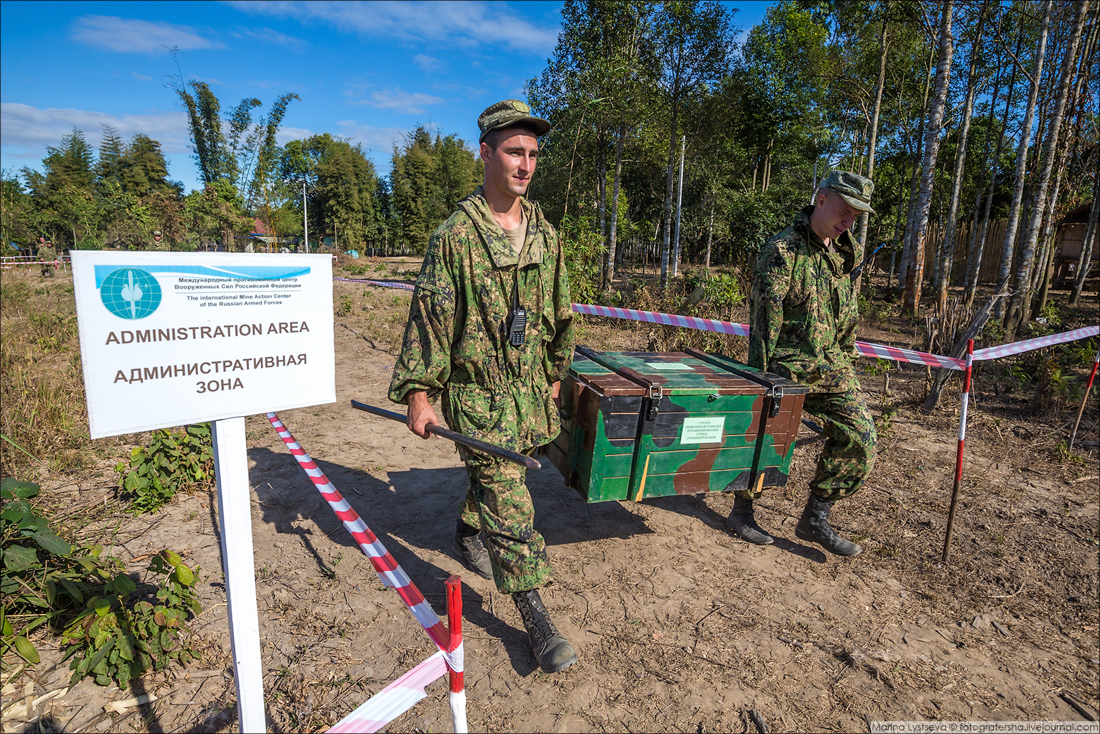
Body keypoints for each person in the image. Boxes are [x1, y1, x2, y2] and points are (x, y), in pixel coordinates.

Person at [388, 99, 577, 673]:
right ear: (486, 152)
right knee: (512, 504)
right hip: (478, 397)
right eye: (514, 151)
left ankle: (468, 527)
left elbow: (561, 312)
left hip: (528, 394)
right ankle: (535, 616)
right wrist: (420, 393)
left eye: (533, 154)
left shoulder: (545, 234)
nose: (525, 164)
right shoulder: (456, 237)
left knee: (503, 479)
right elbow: (431, 318)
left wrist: (555, 375)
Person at [729, 170, 878, 557]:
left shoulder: (848, 253)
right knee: (763, 435)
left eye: (855, 217)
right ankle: (742, 511)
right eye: (844, 211)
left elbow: (849, 314)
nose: (848, 222)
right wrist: (759, 380)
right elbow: (764, 325)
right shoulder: (782, 251)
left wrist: (846, 358)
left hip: (832, 368)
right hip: (785, 369)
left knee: (862, 438)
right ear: (821, 199)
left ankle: (815, 516)